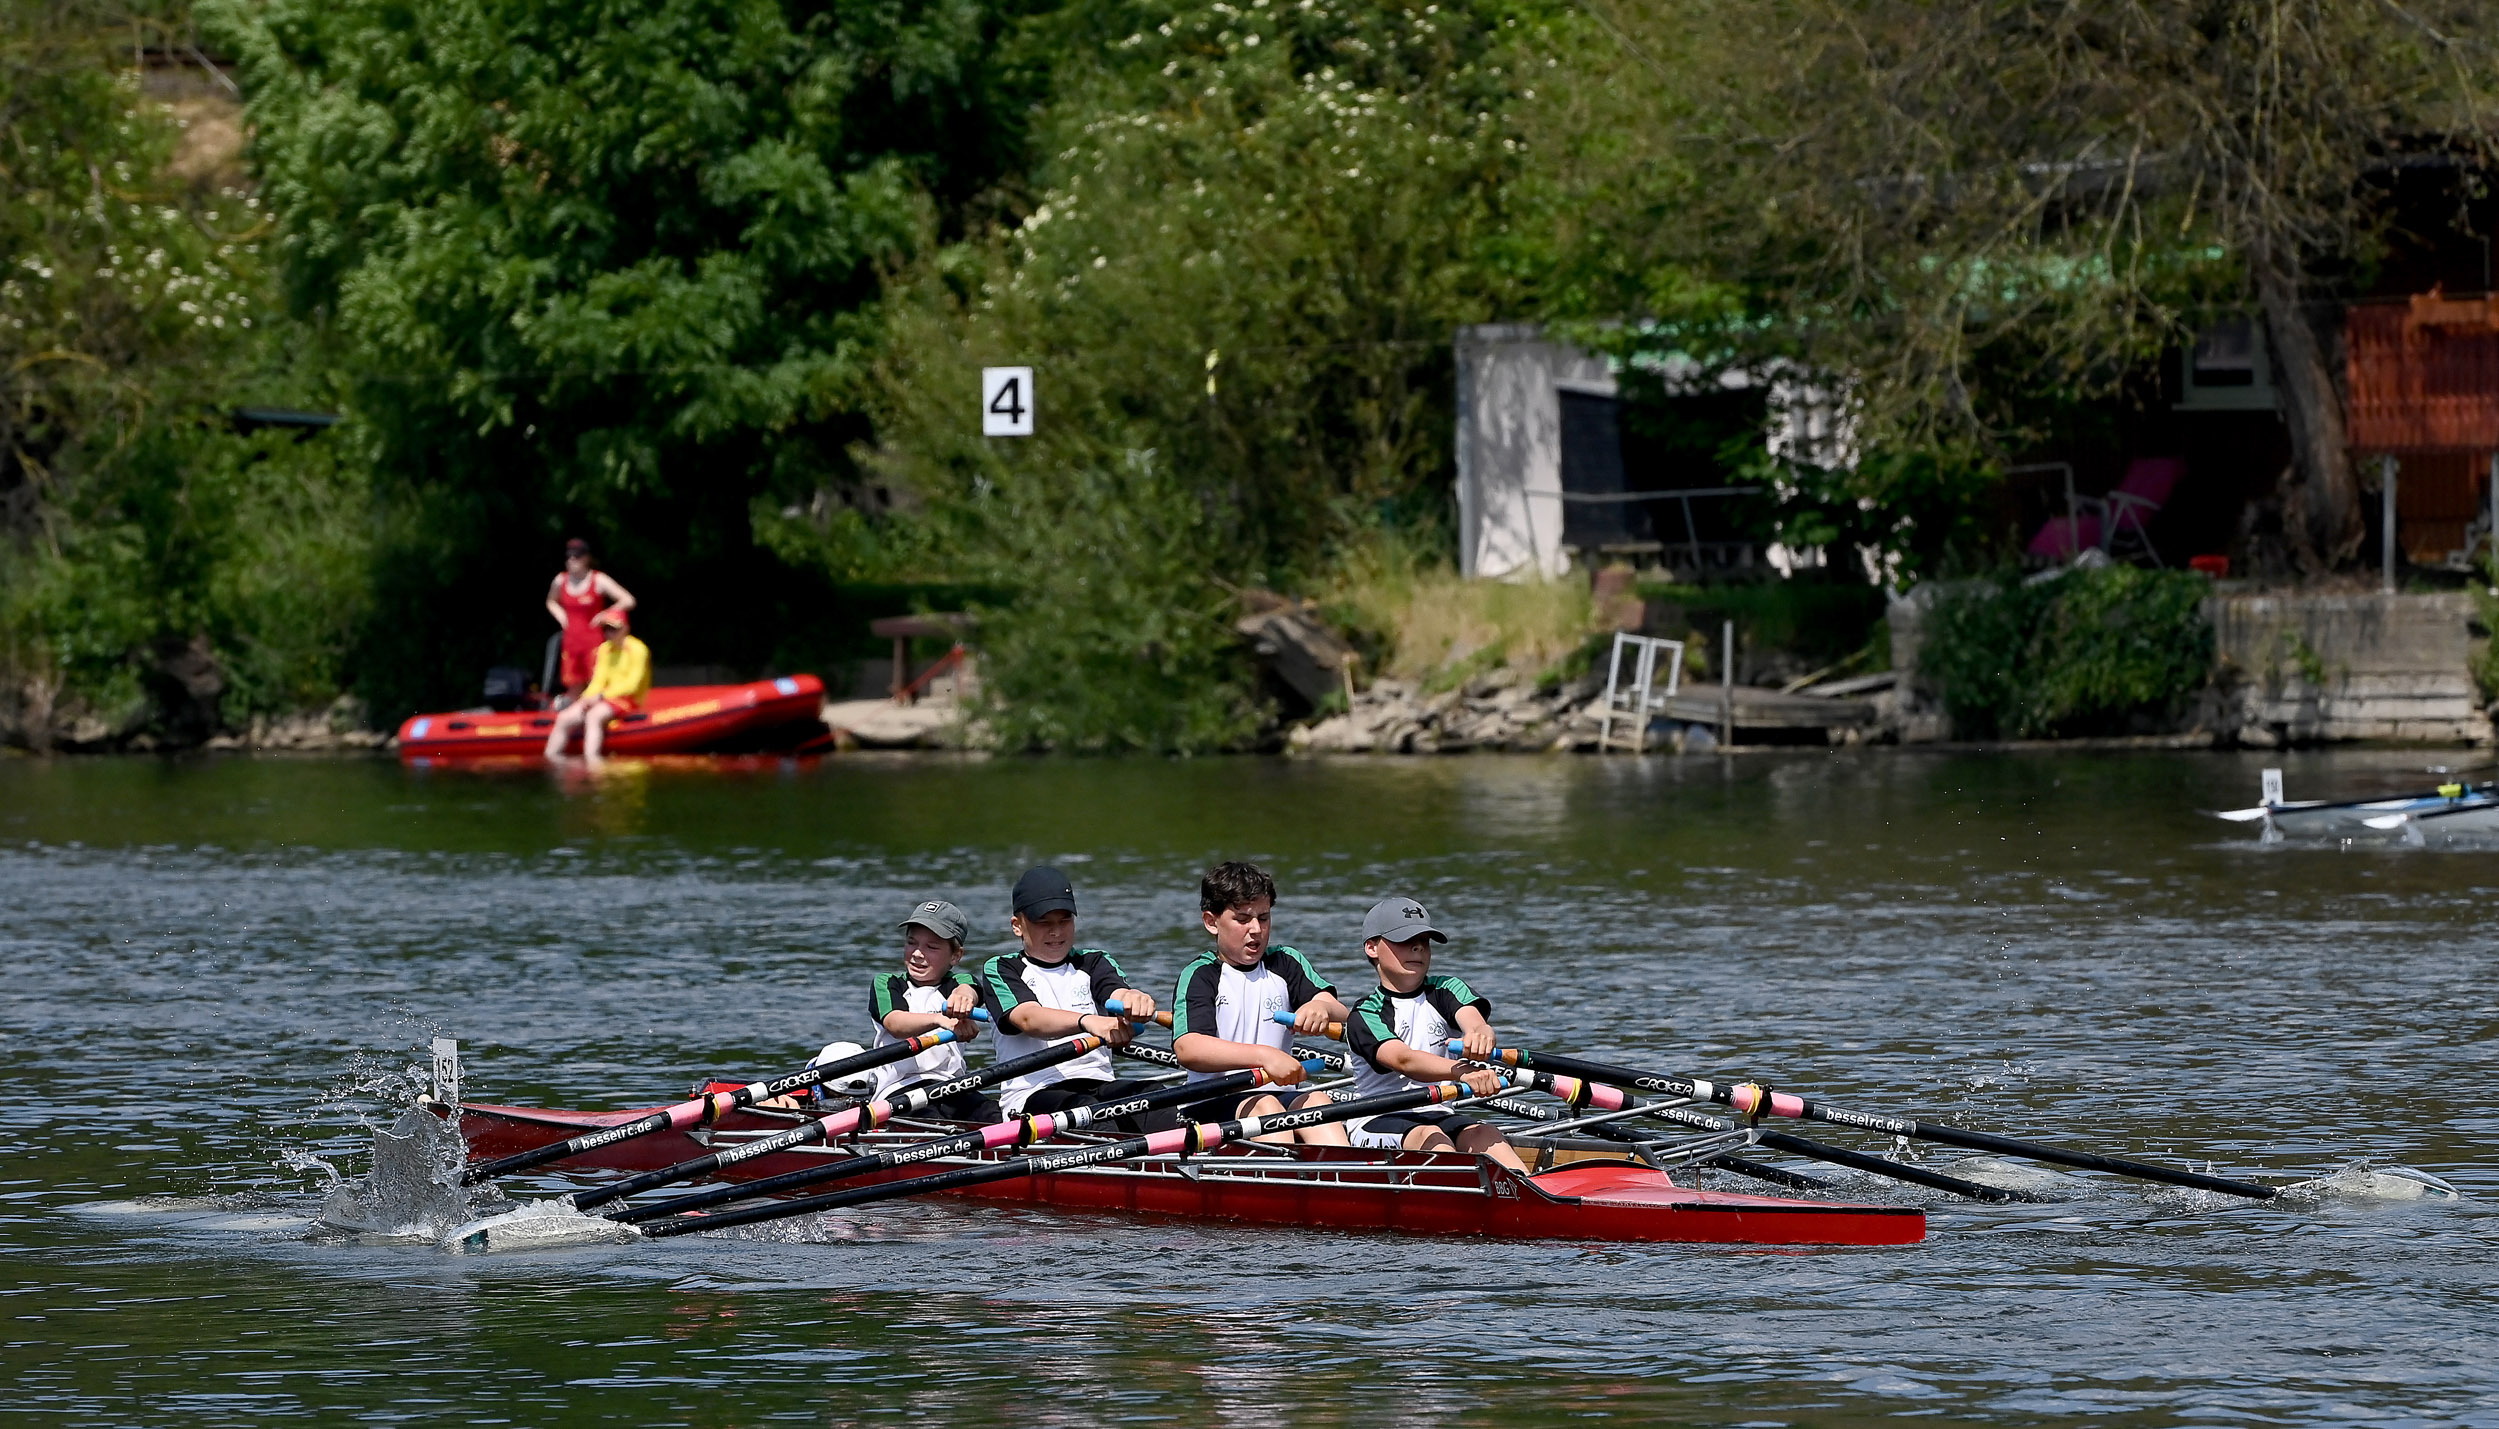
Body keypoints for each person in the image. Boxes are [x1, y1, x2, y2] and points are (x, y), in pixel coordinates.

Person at [1338, 895, 1527, 1172]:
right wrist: (1463, 1072)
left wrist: (1480, 1035)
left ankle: (1536, 1198)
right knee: (1433, 1138)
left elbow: (1474, 1022)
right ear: (1372, 948)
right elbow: (1404, 1061)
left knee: (1485, 1134)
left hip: (1439, 1112)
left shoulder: (1447, 989)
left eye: (1424, 941)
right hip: (1375, 1119)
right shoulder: (1365, 1013)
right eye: (1404, 940)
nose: (1418, 948)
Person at [1169, 861, 1345, 1144]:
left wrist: (1320, 1007)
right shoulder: (1201, 975)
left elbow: (1339, 1010)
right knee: (1266, 1107)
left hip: (1277, 1094)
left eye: (1263, 918)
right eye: (1242, 919)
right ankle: (1282, 1182)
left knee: (1318, 1101)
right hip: (1209, 1103)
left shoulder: (1285, 962)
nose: (1256, 930)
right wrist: (1265, 1056)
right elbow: (1188, 1048)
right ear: (1211, 922)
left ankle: (1343, 1181)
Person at [975, 865, 1161, 1121]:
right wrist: (1087, 1021)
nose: (1056, 932)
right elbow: (1028, 1018)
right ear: (1017, 926)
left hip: (1098, 1085)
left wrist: (1133, 1000)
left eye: (1064, 921)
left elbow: (1116, 992)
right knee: (1084, 1108)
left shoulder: (1094, 962)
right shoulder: (1002, 968)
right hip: (1033, 1094)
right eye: (1044, 923)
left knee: (1153, 1095)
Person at [860, 898, 989, 1118]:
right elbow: (895, 1023)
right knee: (931, 1118)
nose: (918, 954)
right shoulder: (888, 983)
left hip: (951, 1086)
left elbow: (969, 991)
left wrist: (964, 1000)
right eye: (912, 943)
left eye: (931, 947)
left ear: (956, 956)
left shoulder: (959, 982)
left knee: (994, 1113)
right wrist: (939, 1020)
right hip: (898, 1090)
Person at [543, 610, 650, 760]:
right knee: (564, 717)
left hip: (628, 700)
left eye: (613, 628)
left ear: (625, 628)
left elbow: (632, 685)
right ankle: (550, 760)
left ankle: (592, 762)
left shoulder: (638, 649)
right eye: (605, 629)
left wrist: (600, 696)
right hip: (604, 698)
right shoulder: (604, 649)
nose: (609, 633)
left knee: (594, 716)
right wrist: (586, 698)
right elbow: (598, 681)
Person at [544, 538, 635, 703]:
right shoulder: (560, 580)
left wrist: (605, 614)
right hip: (571, 642)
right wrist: (561, 616)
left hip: (594, 641)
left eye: (576, 556)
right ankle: (573, 720)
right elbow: (551, 601)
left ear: (586, 558)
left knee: (597, 682)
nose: (571, 560)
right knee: (573, 685)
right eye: (569, 556)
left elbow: (628, 600)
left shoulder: (598, 579)